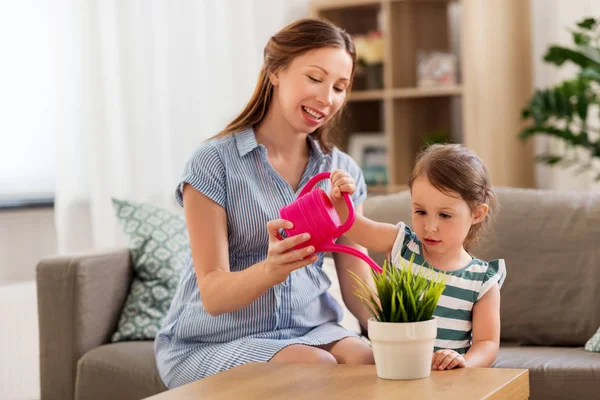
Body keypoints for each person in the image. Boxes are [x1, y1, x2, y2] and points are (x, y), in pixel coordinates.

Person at [154, 18, 375, 388]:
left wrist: (408, 336)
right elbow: (212, 293)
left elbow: (358, 286)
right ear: (275, 71)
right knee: (313, 364)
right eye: (315, 78)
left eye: (340, 87)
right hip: (211, 340)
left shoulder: (341, 169)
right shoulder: (213, 163)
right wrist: (271, 270)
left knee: (368, 360)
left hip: (310, 329)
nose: (328, 98)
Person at [330, 143, 506, 371]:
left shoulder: (483, 281)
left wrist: (463, 362)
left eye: (445, 215)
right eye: (420, 211)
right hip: (395, 371)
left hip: (448, 382)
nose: (430, 226)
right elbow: (354, 226)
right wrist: (339, 201)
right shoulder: (401, 244)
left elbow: (487, 343)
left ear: (476, 214)